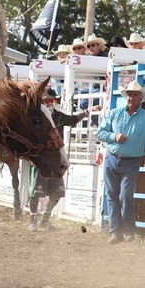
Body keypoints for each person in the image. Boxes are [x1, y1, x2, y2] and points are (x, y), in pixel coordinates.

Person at [28, 87, 100, 231]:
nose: (50, 103)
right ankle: (33, 221)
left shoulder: (59, 116)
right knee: (37, 191)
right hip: (42, 158)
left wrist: (87, 111)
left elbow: (73, 120)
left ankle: (44, 219)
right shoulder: (37, 117)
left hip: (56, 159)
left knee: (58, 192)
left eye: (52, 100)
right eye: (47, 100)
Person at [96, 80, 145, 245]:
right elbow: (100, 133)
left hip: (132, 161)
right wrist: (113, 136)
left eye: (135, 95)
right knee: (112, 195)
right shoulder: (114, 113)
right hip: (111, 158)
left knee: (125, 196)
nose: (131, 98)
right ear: (126, 96)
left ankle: (128, 231)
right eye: (129, 94)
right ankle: (115, 232)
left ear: (140, 97)